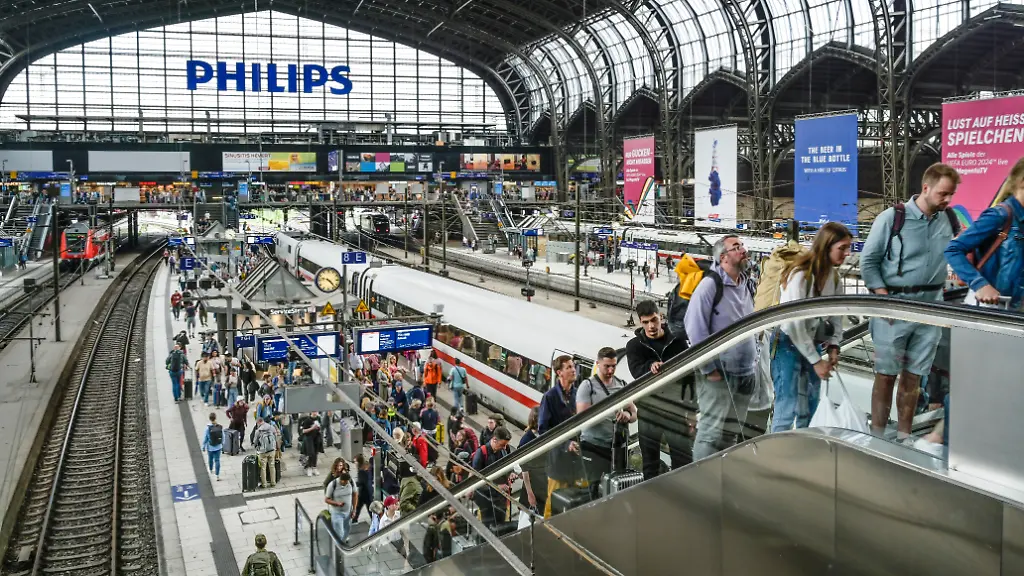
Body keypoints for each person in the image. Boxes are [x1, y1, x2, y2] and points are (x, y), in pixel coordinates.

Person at [860, 162, 959, 441]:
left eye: (951, 194)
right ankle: (877, 436)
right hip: (894, 305)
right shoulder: (892, 218)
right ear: (925, 188)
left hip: (930, 308)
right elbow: (869, 261)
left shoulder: (949, 220)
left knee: (914, 378)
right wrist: (882, 299)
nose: (948, 200)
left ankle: (904, 437)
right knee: (886, 375)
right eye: (943, 193)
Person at [770, 222, 851, 432]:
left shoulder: (834, 278)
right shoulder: (800, 276)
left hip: (811, 341)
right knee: (786, 404)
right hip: (787, 342)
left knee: (811, 403)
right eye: (841, 248)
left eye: (847, 248)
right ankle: (778, 455)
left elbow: (836, 314)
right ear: (826, 247)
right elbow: (795, 323)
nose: (846, 254)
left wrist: (834, 345)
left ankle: (804, 450)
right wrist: (816, 361)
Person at [683, 235, 757, 461]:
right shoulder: (710, 285)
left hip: (745, 373)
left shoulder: (747, 282)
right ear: (723, 257)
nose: (743, 250)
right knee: (710, 434)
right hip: (720, 375)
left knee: (731, 434)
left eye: (742, 245)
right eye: (736, 247)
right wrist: (709, 369)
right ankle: (702, 484)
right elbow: (694, 328)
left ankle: (723, 479)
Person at [625, 300, 690, 480]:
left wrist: (691, 409)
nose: (651, 326)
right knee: (650, 462)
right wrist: (650, 366)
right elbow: (636, 371)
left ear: (661, 317)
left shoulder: (677, 340)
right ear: (640, 322)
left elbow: (690, 375)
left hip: (675, 409)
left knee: (682, 457)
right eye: (645, 322)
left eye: (653, 320)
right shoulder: (634, 346)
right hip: (649, 411)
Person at [576, 347, 636, 498]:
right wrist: (610, 413)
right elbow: (583, 418)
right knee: (592, 489)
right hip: (592, 447)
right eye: (606, 366)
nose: (610, 370)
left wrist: (627, 415)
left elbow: (635, 413)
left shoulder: (621, 384)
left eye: (613, 366)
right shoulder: (587, 386)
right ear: (598, 364)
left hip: (615, 448)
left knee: (612, 487)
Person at [537, 355, 579, 518]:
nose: (573, 370)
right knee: (553, 501)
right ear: (559, 372)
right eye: (568, 367)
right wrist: (565, 444)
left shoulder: (578, 394)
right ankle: (548, 533)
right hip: (558, 462)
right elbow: (544, 430)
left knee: (574, 501)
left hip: (576, 461)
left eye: (573, 366)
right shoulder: (550, 397)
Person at [471, 426, 513, 526]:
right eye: (502, 444)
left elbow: (506, 468)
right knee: (487, 528)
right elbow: (476, 481)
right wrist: (497, 487)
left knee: (501, 526)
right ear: (494, 440)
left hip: (500, 500)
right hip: (486, 501)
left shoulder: (502, 451)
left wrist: (510, 474)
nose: (504, 447)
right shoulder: (481, 453)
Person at [325, 472, 355, 543]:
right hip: (337, 513)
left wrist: (354, 509)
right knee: (339, 533)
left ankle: (342, 544)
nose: (347, 483)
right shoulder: (332, 485)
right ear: (341, 480)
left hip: (348, 512)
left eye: (347, 481)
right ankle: (338, 548)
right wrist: (337, 503)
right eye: (345, 482)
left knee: (346, 531)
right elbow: (326, 499)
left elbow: (355, 495)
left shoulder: (350, 482)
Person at [253, 416, 278, 488]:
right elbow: (276, 436)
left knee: (263, 468)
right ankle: (273, 482)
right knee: (272, 466)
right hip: (272, 450)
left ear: (258, 422)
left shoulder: (258, 431)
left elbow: (255, 441)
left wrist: (256, 447)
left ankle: (264, 484)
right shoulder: (271, 427)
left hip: (263, 451)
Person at [201, 412, 223, 481]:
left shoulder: (208, 428)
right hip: (218, 446)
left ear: (210, 419)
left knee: (210, 459)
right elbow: (223, 437)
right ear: (215, 418)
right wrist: (222, 444)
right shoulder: (219, 427)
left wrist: (203, 446)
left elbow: (205, 438)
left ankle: (210, 469)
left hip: (210, 447)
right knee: (217, 460)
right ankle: (217, 475)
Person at [299, 412, 322, 476]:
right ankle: (309, 468)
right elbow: (303, 431)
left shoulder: (318, 418)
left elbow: (320, 427)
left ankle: (314, 467)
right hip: (309, 438)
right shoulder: (307, 420)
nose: (315, 413)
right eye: (314, 411)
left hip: (316, 437)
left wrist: (318, 428)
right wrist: (312, 428)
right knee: (310, 453)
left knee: (315, 453)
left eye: (316, 411)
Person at [353, 454, 374, 522]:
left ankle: (355, 519)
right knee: (360, 507)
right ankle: (355, 519)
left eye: (355, 461)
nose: (354, 463)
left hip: (364, 493)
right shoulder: (366, 468)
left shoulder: (361, 471)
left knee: (363, 507)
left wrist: (354, 484)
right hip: (367, 492)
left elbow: (362, 482)